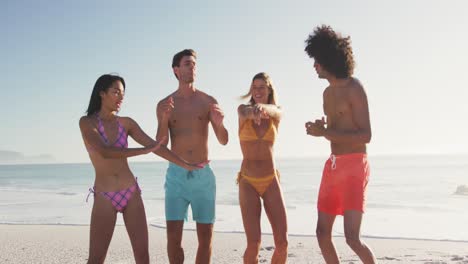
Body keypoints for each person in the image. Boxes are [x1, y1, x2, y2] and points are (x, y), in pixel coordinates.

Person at [79, 74, 200, 264]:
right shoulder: (87, 123)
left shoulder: (126, 123)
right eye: (116, 92)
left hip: (130, 193)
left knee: (143, 258)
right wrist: (144, 151)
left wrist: (186, 165)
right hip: (105, 196)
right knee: (96, 259)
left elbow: (156, 146)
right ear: (102, 93)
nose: (121, 97)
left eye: (123, 93)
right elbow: (104, 152)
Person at [304, 25, 376, 264]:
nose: (314, 65)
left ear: (329, 59)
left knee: (352, 238)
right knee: (322, 233)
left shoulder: (354, 88)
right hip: (333, 166)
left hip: (355, 166)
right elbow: (334, 131)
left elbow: (366, 135)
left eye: (317, 60)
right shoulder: (326, 94)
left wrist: (326, 131)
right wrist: (320, 130)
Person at [156, 49, 228, 264]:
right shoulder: (165, 104)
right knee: (173, 237)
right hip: (176, 176)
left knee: (206, 238)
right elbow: (160, 145)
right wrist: (163, 119)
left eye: (194, 64)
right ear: (176, 70)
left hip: (203, 176)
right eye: (187, 64)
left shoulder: (208, 101)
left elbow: (224, 140)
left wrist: (219, 123)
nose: (192, 67)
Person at [237, 72, 288, 264]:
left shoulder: (275, 114)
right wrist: (254, 111)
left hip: (270, 180)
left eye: (262, 87)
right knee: (254, 243)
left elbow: (277, 111)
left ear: (269, 90)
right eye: (254, 87)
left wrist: (263, 108)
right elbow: (244, 113)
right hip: (248, 181)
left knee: (282, 243)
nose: (257, 91)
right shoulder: (242, 110)